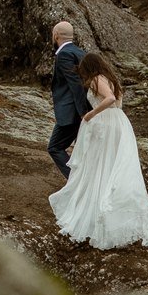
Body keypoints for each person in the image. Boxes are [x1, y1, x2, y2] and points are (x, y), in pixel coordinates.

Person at [49, 50, 148, 255]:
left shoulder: (96, 79)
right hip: (117, 122)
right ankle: (103, 210)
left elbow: (110, 99)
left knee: (99, 165)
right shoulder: (110, 78)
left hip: (105, 124)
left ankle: (99, 211)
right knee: (109, 166)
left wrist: (92, 114)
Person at [47, 20, 89, 179]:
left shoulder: (64, 54)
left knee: (55, 147)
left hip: (72, 111)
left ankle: (76, 181)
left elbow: (75, 84)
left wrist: (82, 112)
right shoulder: (80, 52)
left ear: (55, 35)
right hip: (81, 109)